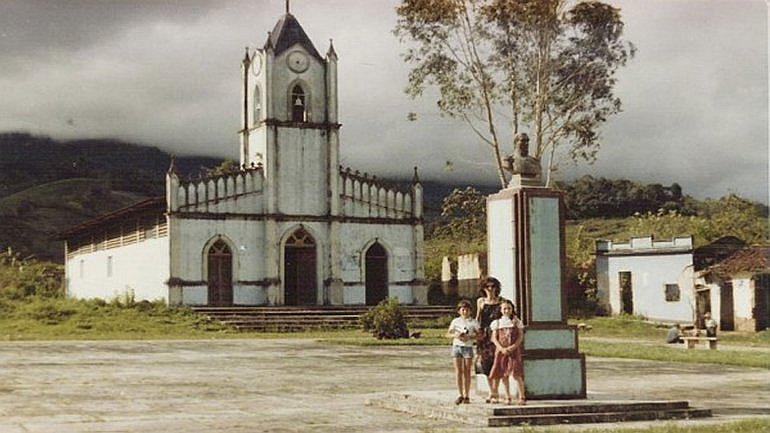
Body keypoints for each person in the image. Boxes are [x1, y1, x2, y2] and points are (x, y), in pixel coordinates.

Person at [489, 300, 526, 405]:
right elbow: (494, 338)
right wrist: (501, 348)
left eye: (509, 308)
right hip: (501, 351)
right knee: (503, 374)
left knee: (516, 373)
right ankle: (507, 396)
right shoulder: (497, 323)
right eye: (504, 308)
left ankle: (522, 396)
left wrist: (514, 346)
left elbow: (520, 336)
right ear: (501, 310)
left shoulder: (516, 322)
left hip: (514, 351)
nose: (507, 311)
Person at [475, 276, 504, 403]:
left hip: (497, 334)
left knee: (497, 362)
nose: (490, 289)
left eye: (493, 286)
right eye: (488, 287)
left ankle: (495, 391)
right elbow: (478, 318)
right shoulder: (481, 301)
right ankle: (491, 391)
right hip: (484, 335)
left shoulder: (501, 301)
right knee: (486, 363)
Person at [446, 300, 479, 405]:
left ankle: (467, 395)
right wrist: (456, 335)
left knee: (467, 371)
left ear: (470, 311)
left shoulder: (473, 322)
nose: (465, 312)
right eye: (463, 310)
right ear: (459, 311)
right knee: (458, 371)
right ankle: (460, 394)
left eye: (467, 310)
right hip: (457, 346)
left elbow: (479, 335)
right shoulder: (456, 321)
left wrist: (470, 336)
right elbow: (448, 334)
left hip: (467, 347)